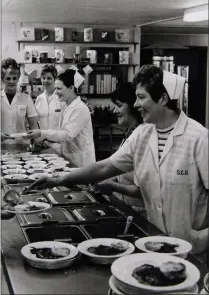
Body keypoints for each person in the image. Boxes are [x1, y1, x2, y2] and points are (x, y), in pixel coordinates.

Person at [29, 65, 208, 256]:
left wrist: (203, 238)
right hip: (154, 241)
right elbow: (105, 167)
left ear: (163, 99)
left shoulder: (199, 138)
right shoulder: (142, 133)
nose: (136, 104)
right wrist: (59, 180)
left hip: (192, 249)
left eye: (141, 97)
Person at [27, 69, 96, 167]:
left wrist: (42, 133)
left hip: (81, 161)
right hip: (69, 157)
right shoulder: (68, 106)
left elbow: (67, 135)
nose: (56, 93)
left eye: (59, 88)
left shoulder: (79, 108)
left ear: (71, 88)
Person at [95, 82, 145, 213]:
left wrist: (113, 186)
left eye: (119, 106)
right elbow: (124, 169)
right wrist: (112, 180)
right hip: (126, 206)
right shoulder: (130, 133)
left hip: (140, 211)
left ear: (134, 106)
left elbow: (143, 190)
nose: (115, 111)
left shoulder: (142, 136)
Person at [1, 58, 39, 144]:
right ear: (3, 79)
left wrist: (36, 143)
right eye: (8, 78)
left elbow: (33, 124)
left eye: (14, 78)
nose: (12, 81)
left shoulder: (26, 98)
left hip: (22, 145)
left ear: (18, 79)